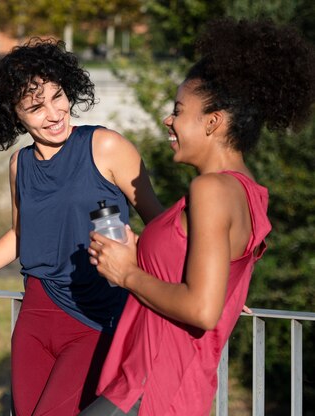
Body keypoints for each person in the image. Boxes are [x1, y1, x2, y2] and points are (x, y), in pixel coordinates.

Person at [80, 18, 315, 416]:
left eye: (178, 111)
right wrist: (140, 255)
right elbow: (203, 279)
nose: (168, 121)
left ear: (213, 121)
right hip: (165, 388)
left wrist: (127, 274)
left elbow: (202, 309)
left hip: (151, 390)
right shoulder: (247, 191)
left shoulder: (211, 190)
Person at [0, 39, 163, 415]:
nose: (54, 113)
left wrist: (203, 277)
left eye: (57, 96)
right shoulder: (20, 165)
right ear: (15, 115)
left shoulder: (106, 146)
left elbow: (159, 222)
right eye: (35, 106)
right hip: (35, 317)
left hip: (94, 316)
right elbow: (20, 235)